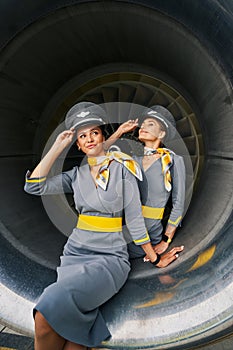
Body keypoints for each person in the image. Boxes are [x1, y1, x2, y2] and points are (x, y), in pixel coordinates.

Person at [24, 102, 184, 350]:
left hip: (109, 258)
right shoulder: (75, 176)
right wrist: (57, 147)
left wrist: (154, 257)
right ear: (77, 144)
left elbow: (134, 219)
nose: (89, 139)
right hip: (74, 256)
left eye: (94, 133)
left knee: (45, 314)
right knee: (73, 343)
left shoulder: (123, 169)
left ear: (102, 136)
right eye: (82, 136)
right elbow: (34, 186)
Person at [106, 105, 186, 259]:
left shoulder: (172, 161)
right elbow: (99, 158)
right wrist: (120, 131)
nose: (143, 127)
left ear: (162, 133)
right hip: (120, 233)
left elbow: (179, 203)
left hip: (148, 236)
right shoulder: (132, 162)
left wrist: (165, 240)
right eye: (142, 124)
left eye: (150, 124)